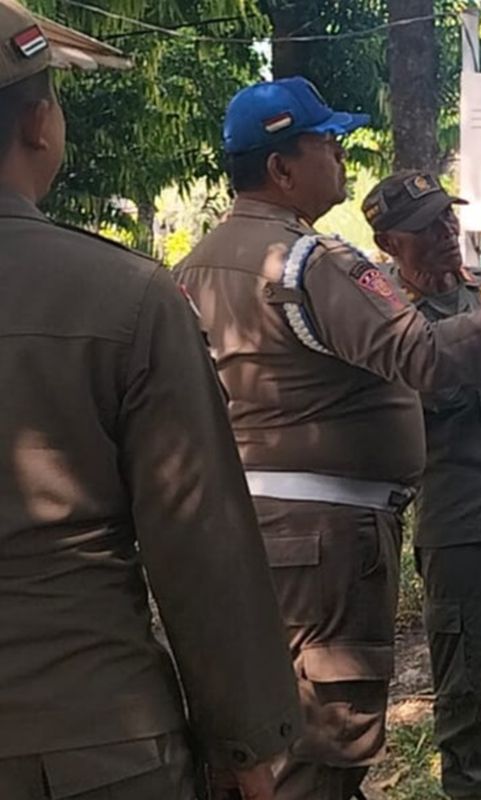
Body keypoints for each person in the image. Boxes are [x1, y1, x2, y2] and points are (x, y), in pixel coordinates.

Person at [176, 78, 481, 800]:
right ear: (282, 169)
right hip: (331, 545)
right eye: (326, 144)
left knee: (269, 725)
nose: (340, 156)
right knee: (327, 735)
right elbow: (428, 359)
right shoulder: (310, 263)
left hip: (251, 533)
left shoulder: (193, 270)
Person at [0, 3, 300, 798]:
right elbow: (198, 542)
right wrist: (247, 743)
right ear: (38, 124)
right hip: (91, 740)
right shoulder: (124, 299)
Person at [362, 170, 481, 800]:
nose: (445, 234)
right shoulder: (385, 324)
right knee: (462, 690)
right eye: (424, 228)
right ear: (389, 242)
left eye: (448, 218)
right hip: (458, 527)